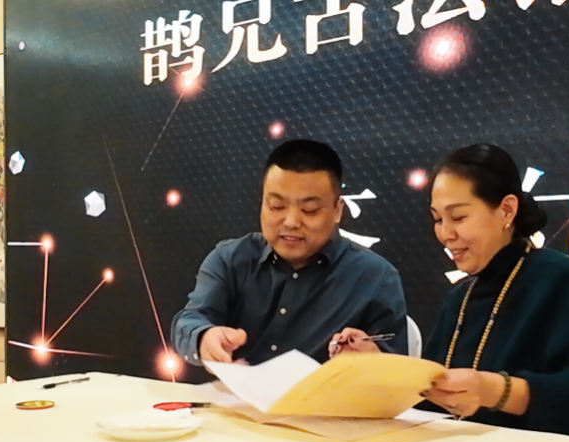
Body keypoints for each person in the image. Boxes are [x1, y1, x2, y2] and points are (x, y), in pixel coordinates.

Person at [331, 144, 569, 441]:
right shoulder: (460, 298)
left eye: (458, 217)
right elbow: (432, 399)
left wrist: (497, 391)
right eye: (438, 219)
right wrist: (378, 365)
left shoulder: (564, 279)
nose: (446, 234)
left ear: (507, 210)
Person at [171, 139, 408, 370]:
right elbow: (188, 322)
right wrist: (204, 338)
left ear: (337, 210)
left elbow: (398, 373)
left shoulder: (375, 278)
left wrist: (373, 363)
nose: (291, 222)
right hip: (236, 396)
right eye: (276, 206)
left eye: (309, 210)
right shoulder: (230, 259)